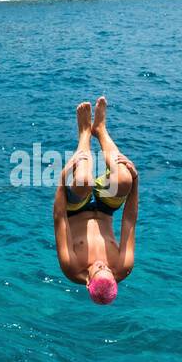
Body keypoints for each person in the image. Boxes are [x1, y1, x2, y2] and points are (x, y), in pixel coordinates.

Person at [54, 96, 138, 304]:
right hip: (105, 210)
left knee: (83, 181)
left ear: (88, 281)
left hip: (75, 209)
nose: (103, 264)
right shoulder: (123, 266)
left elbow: (59, 219)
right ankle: (100, 130)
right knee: (124, 178)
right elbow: (128, 221)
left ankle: (84, 134)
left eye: (98, 268)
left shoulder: (70, 267)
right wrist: (135, 181)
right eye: (107, 269)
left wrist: (63, 176)